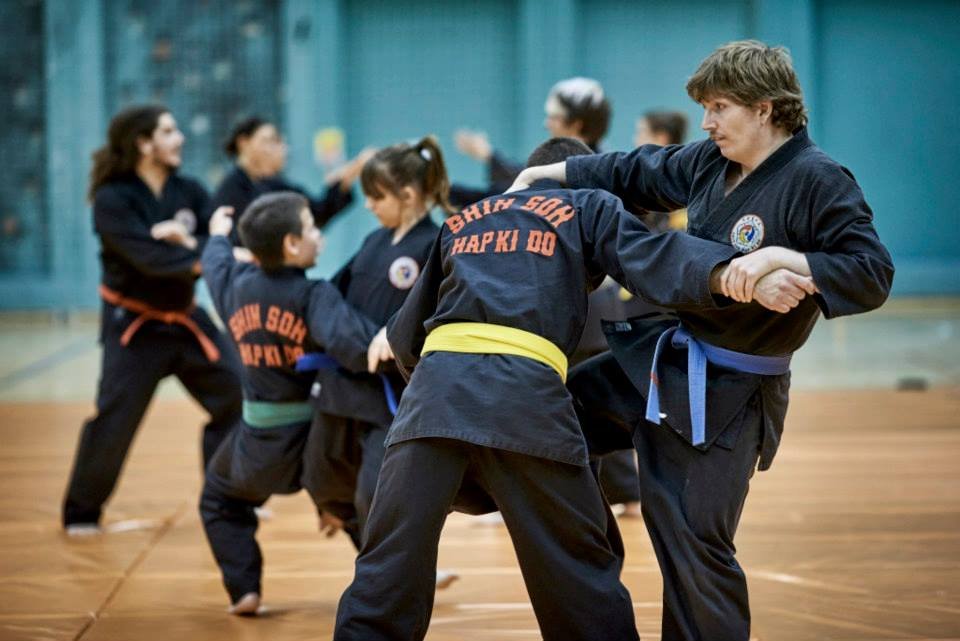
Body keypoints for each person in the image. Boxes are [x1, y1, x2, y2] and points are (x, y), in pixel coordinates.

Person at [333, 136, 803, 641]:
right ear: (578, 175)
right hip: (526, 402)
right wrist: (735, 273)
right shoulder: (589, 204)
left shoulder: (463, 219)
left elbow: (407, 338)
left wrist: (443, 396)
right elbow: (655, 256)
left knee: (384, 576)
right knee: (579, 574)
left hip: (429, 403)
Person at [510, 40, 894, 640]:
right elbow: (634, 170)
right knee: (553, 416)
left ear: (765, 108)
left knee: (692, 546)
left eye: (719, 107)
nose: (708, 122)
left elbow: (872, 273)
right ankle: (583, 556)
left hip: (731, 394)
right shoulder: (709, 163)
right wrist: (547, 172)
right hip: (662, 362)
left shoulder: (816, 179)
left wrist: (786, 257)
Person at [197, 192, 385, 615]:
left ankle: (244, 589)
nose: (319, 236)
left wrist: (217, 236)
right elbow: (355, 345)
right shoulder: (313, 295)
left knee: (219, 500)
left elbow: (215, 266)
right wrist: (393, 340)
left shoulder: (234, 288)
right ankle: (390, 576)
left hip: (259, 443)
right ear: (291, 245)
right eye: (312, 228)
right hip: (320, 442)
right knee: (351, 502)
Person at [62, 105, 243, 535]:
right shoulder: (113, 199)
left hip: (184, 321)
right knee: (115, 419)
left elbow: (223, 239)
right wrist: (200, 250)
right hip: (135, 327)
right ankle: (81, 514)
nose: (179, 137)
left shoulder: (189, 190)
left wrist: (190, 242)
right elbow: (148, 259)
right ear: (144, 144)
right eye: (168, 131)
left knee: (237, 396)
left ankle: (223, 496)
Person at [305, 136, 449, 536]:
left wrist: (391, 334)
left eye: (376, 196)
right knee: (322, 483)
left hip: (388, 394)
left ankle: (394, 572)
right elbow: (334, 292)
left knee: (377, 495)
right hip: (341, 386)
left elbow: (436, 313)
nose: (367, 204)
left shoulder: (435, 244)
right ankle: (382, 562)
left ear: (406, 195)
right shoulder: (373, 240)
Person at [209, 116, 373, 247]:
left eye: (279, 142)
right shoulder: (230, 189)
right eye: (269, 141)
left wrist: (354, 168)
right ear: (243, 143)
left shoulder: (277, 185)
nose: (279, 148)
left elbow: (320, 211)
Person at [450, 77, 611, 207]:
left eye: (554, 117)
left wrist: (490, 156)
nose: (547, 124)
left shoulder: (590, 175)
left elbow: (525, 187)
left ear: (576, 124)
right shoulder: (599, 165)